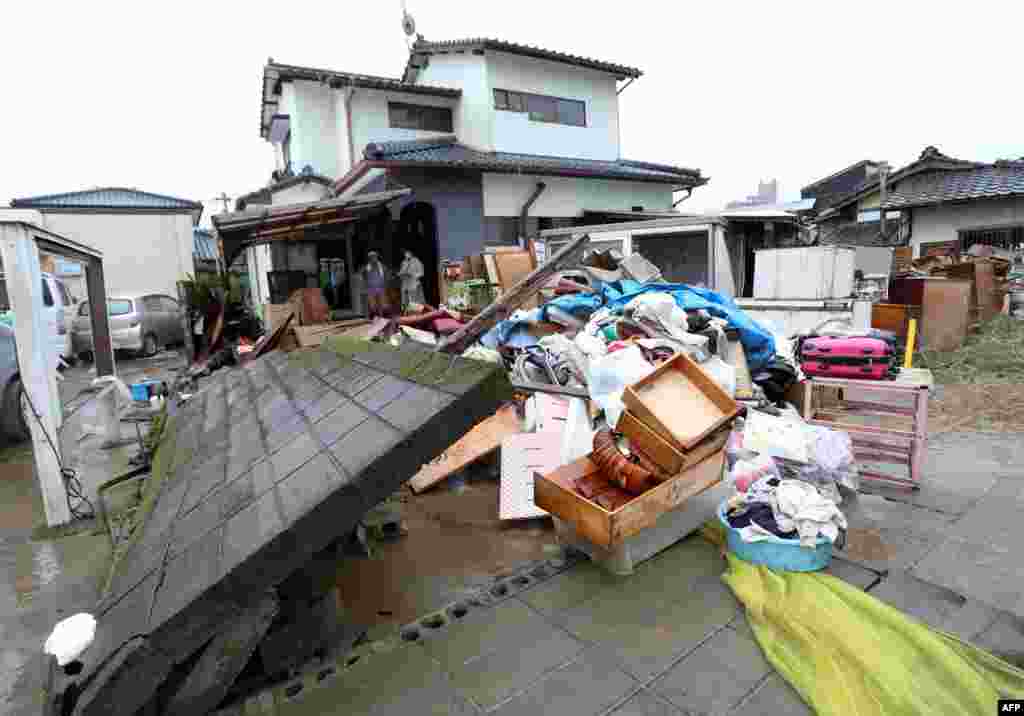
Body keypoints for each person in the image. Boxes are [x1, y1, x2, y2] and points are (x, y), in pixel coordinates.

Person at [361, 250, 390, 318]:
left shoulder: (382, 266)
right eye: (371, 257)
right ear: (369, 259)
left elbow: (387, 276)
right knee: (373, 306)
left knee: (383, 305)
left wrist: (385, 285)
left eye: (374, 257)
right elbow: (364, 277)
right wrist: (366, 285)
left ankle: (382, 318)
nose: (373, 258)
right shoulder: (366, 268)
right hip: (371, 289)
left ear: (377, 257)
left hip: (381, 288)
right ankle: (375, 318)